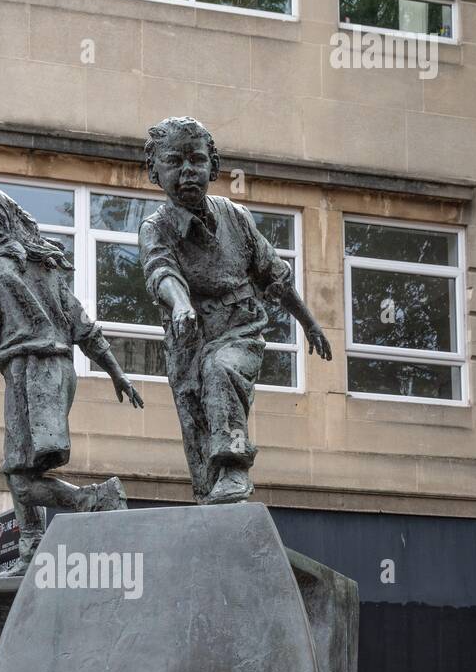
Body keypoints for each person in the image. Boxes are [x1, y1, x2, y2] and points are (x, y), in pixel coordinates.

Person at [0, 187, 144, 574]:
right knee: (19, 470)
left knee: (19, 476)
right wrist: (116, 371)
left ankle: (95, 499)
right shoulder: (44, 268)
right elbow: (82, 325)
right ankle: (31, 548)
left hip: (31, 374)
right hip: (59, 374)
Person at [138, 116, 332, 503]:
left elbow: (274, 275)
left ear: (213, 166)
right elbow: (161, 272)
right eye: (174, 161)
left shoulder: (235, 216)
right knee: (196, 430)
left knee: (221, 370)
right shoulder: (155, 227)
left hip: (238, 328)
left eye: (196, 159)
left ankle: (235, 468)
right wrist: (180, 306)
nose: (187, 170)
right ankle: (214, 500)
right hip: (188, 341)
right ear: (154, 171)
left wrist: (309, 324)